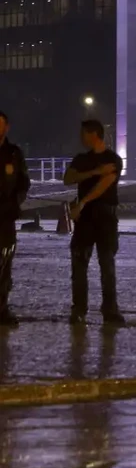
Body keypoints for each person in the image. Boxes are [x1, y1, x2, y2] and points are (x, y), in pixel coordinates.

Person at [64, 120, 125, 326]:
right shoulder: (82, 159)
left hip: (104, 218)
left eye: (84, 134)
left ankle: (110, 311)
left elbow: (105, 184)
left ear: (94, 135)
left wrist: (82, 202)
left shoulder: (113, 159)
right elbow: (68, 178)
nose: (81, 138)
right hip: (86, 220)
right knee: (79, 265)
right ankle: (79, 309)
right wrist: (95, 172)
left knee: (107, 266)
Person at [0, 112, 29, 326]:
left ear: (6, 127)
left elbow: (23, 182)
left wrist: (15, 202)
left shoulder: (13, 154)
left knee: (5, 264)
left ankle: (2, 308)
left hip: (5, 218)